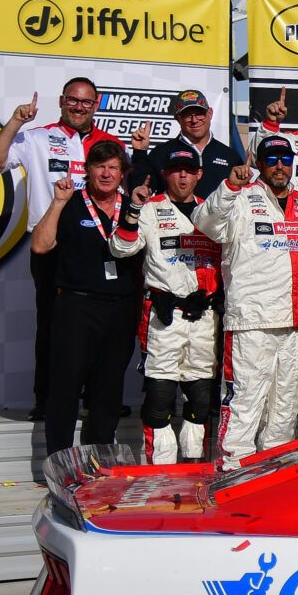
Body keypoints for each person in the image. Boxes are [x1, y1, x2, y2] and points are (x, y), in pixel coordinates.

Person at [0, 77, 120, 419]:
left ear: (97, 104)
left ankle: (96, 398)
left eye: (86, 102)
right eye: (73, 100)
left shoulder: (111, 145)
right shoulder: (38, 137)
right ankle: (47, 400)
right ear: (62, 100)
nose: (79, 107)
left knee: (99, 324)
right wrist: (16, 121)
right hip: (51, 246)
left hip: (98, 245)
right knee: (53, 324)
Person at [196, 134, 298, 464]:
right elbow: (204, 222)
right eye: (272, 159)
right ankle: (232, 468)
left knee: (286, 401)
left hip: (295, 318)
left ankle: (274, 469)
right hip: (251, 319)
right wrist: (229, 187)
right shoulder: (240, 197)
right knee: (245, 399)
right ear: (259, 163)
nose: (280, 166)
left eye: (286, 159)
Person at [28, 140, 140, 455]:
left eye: (113, 168)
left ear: (123, 173)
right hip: (76, 307)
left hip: (119, 309)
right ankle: (58, 463)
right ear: (87, 170)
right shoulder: (70, 203)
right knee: (65, 387)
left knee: (108, 391)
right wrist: (57, 203)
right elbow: (40, 246)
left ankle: (97, 465)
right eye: (100, 166)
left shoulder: (134, 207)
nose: (106, 173)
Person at [110, 148, 220, 463]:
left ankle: (194, 464)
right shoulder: (149, 209)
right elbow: (120, 248)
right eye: (175, 170)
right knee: (160, 395)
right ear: (165, 174)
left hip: (203, 316)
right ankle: (160, 470)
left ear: (199, 174)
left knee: (200, 396)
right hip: (163, 316)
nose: (182, 176)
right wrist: (132, 208)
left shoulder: (211, 212)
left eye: (188, 170)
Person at [130, 90, 236, 198]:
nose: (194, 120)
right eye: (188, 115)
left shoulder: (230, 155)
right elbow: (139, 190)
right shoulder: (162, 152)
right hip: (171, 214)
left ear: (210, 113)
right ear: (178, 119)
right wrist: (140, 152)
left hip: (217, 215)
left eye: (200, 114)